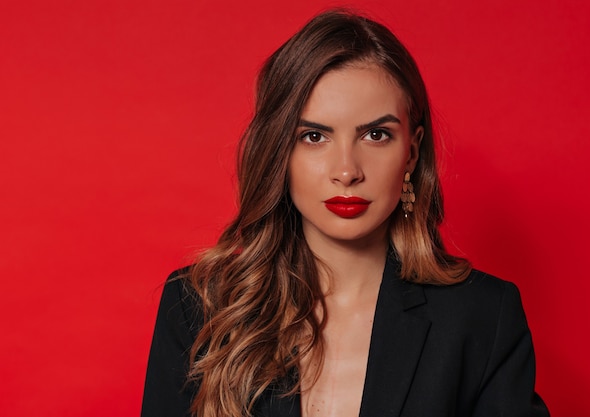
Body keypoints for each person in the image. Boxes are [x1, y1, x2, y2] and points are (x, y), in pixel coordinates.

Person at [141, 9, 549, 417]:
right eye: (314, 136)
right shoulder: (200, 307)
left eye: (376, 135)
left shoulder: (481, 317)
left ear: (410, 150)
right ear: (280, 150)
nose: (346, 171)